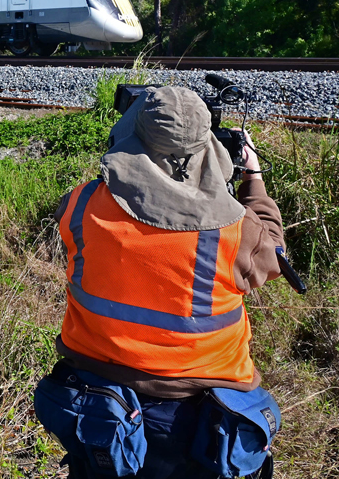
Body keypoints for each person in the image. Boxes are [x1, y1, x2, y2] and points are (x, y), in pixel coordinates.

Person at [35, 86, 285, 479]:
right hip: (200, 412)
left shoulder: (80, 205)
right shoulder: (238, 230)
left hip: (98, 397)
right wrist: (251, 177)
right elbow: (274, 254)